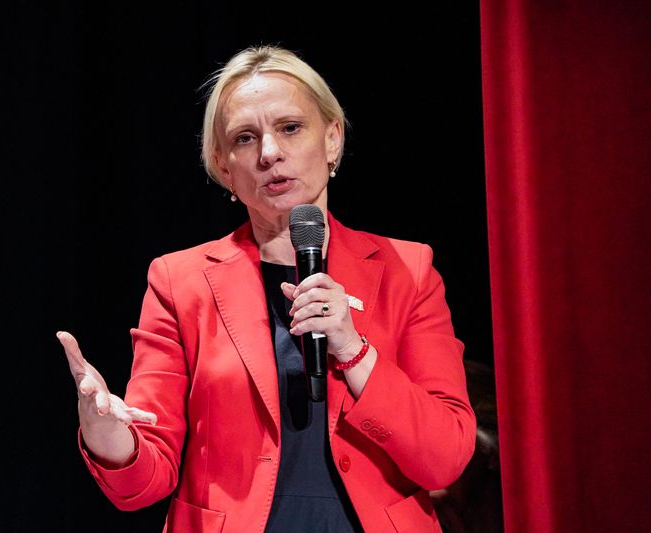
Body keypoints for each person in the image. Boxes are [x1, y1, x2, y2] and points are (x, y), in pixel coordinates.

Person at [57, 45, 476, 532]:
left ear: (333, 139)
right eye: (245, 138)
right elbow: (144, 482)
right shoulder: (179, 281)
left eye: (290, 128)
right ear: (224, 166)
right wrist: (107, 434)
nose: (270, 153)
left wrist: (354, 351)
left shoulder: (410, 269)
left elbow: (445, 459)